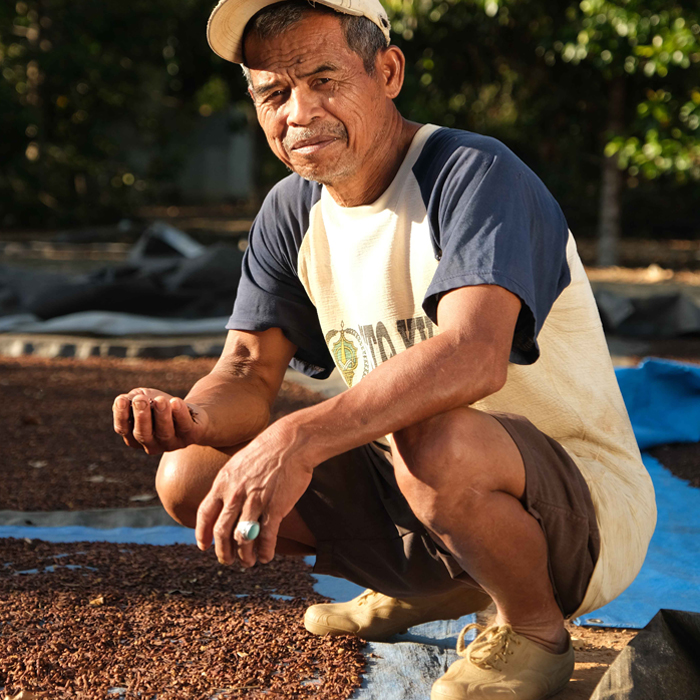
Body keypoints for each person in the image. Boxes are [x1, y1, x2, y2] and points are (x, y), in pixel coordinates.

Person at [112, 1, 656, 698]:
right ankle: (436, 585)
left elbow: (472, 356)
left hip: (579, 505)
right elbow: (246, 370)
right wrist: (188, 417)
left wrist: (296, 441)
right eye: (273, 93)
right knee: (190, 477)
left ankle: (533, 633)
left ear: (388, 70)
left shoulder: (473, 173)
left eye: (324, 79)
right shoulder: (291, 209)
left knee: (430, 433)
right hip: (421, 476)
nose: (298, 112)